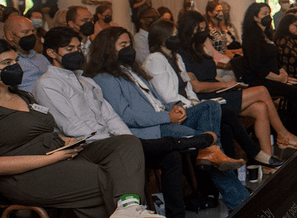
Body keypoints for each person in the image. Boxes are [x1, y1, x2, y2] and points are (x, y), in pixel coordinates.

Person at [33, 27, 210, 218]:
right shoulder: (47, 84)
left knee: (171, 156)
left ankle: (175, 216)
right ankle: (186, 142)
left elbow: (111, 116)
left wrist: (126, 139)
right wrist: (116, 141)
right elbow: (72, 127)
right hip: (86, 146)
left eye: (78, 48)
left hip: (112, 143)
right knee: (140, 145)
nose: (76, 53)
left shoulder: (86, 81)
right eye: (69, 49)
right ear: (51, 53)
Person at [84, 27, 251, 211]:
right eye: (123, 45)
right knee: (205, 141)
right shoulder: (105, 78)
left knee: (210, 106)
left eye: (129, 44)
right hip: (153, 130)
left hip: (165, 117)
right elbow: (127, 116)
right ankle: (240, 201)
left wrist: (173, 108)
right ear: (108, 48)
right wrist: (167, 117)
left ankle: (212, 153)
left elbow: (155, 101)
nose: (129, 49)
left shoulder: (132, 70)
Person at [0, 37, 162, 218]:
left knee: (127, 143)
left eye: (16, 61)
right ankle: (129, 210)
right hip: (24, 175)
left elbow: (39, 131)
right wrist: (52, 158)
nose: (15, 67)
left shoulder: (23, 96)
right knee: (110, 178)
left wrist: (63, 141)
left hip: (59, 154)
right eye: (7, 63)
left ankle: (129, 210)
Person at [143, 19, 286, 167]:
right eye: (173, 35)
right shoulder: (155, 60)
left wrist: (194, 101)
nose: (176, 38)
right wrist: (194, 105)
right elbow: (168, 97)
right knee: (225, 112)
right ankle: (256, 153)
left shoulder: (176, 57)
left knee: (227, 125)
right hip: (177, 111)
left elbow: (188, 87)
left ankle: (234, 168)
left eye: (176, 34)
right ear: (161, 39)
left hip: (191, 105)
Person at [177, 11, 297, 150]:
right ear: (189, 29)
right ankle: (283, 135)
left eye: (204, 29)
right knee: (262, 91)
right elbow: (196, 87)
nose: (203, 33)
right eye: (200, 29)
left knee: (260, 108)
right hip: (206, 99)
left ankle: (267, 163)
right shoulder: (181, 54)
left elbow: (211, 71)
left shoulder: (199, 48)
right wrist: (226, 84)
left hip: (218, 91)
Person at [240, 2, 297, 138]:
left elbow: (275, 59)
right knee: (296, 92)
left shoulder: (267, 35)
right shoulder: (251, 39)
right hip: (260, 80)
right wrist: (279, 79)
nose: (268, 17)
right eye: (264, 14)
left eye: (269, 13)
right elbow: (257, 67)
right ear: (255, 17)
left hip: (275, 75)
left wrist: (283, 72)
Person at [4, 16, 49, 93]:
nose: (31, 35)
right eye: (25, 32)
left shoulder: (41, 57)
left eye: (32, 31)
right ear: (10, 36)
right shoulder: (6, 62)